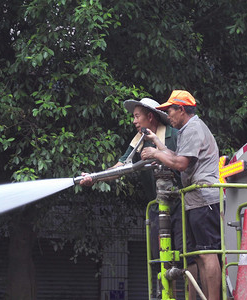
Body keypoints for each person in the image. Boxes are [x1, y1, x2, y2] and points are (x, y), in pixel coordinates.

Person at [77, 97, 197, 298]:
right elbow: (121, 167)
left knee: (187, 256)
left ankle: (191, 297)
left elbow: (187, 164)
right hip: (158, 207)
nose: (134, 121)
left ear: (150, 116)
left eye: (137, 116)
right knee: (160, 258)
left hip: (181, 204)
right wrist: (95, 177)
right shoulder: (138, 140)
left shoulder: (174, 135)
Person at [141, 90, 222, 300]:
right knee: (199, 256)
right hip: (196, 200)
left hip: (205, 199)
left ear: (182, 110)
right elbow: (177, 156)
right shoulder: (188, 129)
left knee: (206, 253)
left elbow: (180, 164)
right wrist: (157, 144)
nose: (168, 116)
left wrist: (155, 153)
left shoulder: (193, 128)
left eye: (170, 111)